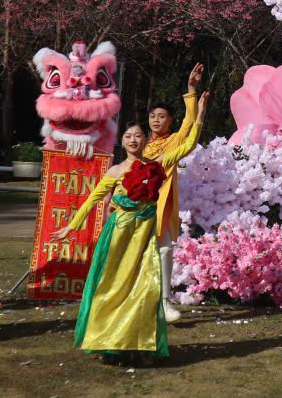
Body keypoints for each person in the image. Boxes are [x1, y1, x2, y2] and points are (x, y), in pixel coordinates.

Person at [53, 93, 207, 363]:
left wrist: (200, 117)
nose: (134, 140)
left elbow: (189, 145)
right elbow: (93, 199)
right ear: (122, 141)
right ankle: (109, 341)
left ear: (145, 140)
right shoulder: (114, 171)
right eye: (128, 136)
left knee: (144, 288)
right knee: (113, 287)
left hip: (144, 237)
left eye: (138, 136)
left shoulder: (157, 165)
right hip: (119, 235)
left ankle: (137, 343)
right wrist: (72, 227)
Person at [142, 62, 204, 323]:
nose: (156, 120)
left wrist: (191, 89)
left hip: (163, 203)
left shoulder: (172, 142)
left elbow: (190, 126)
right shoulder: (139, 144)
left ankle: (165, 302)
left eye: (162, 116)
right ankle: (142, 300)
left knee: (165, 250)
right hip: (138, 205)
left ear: (170, 121)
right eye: (153, 116)